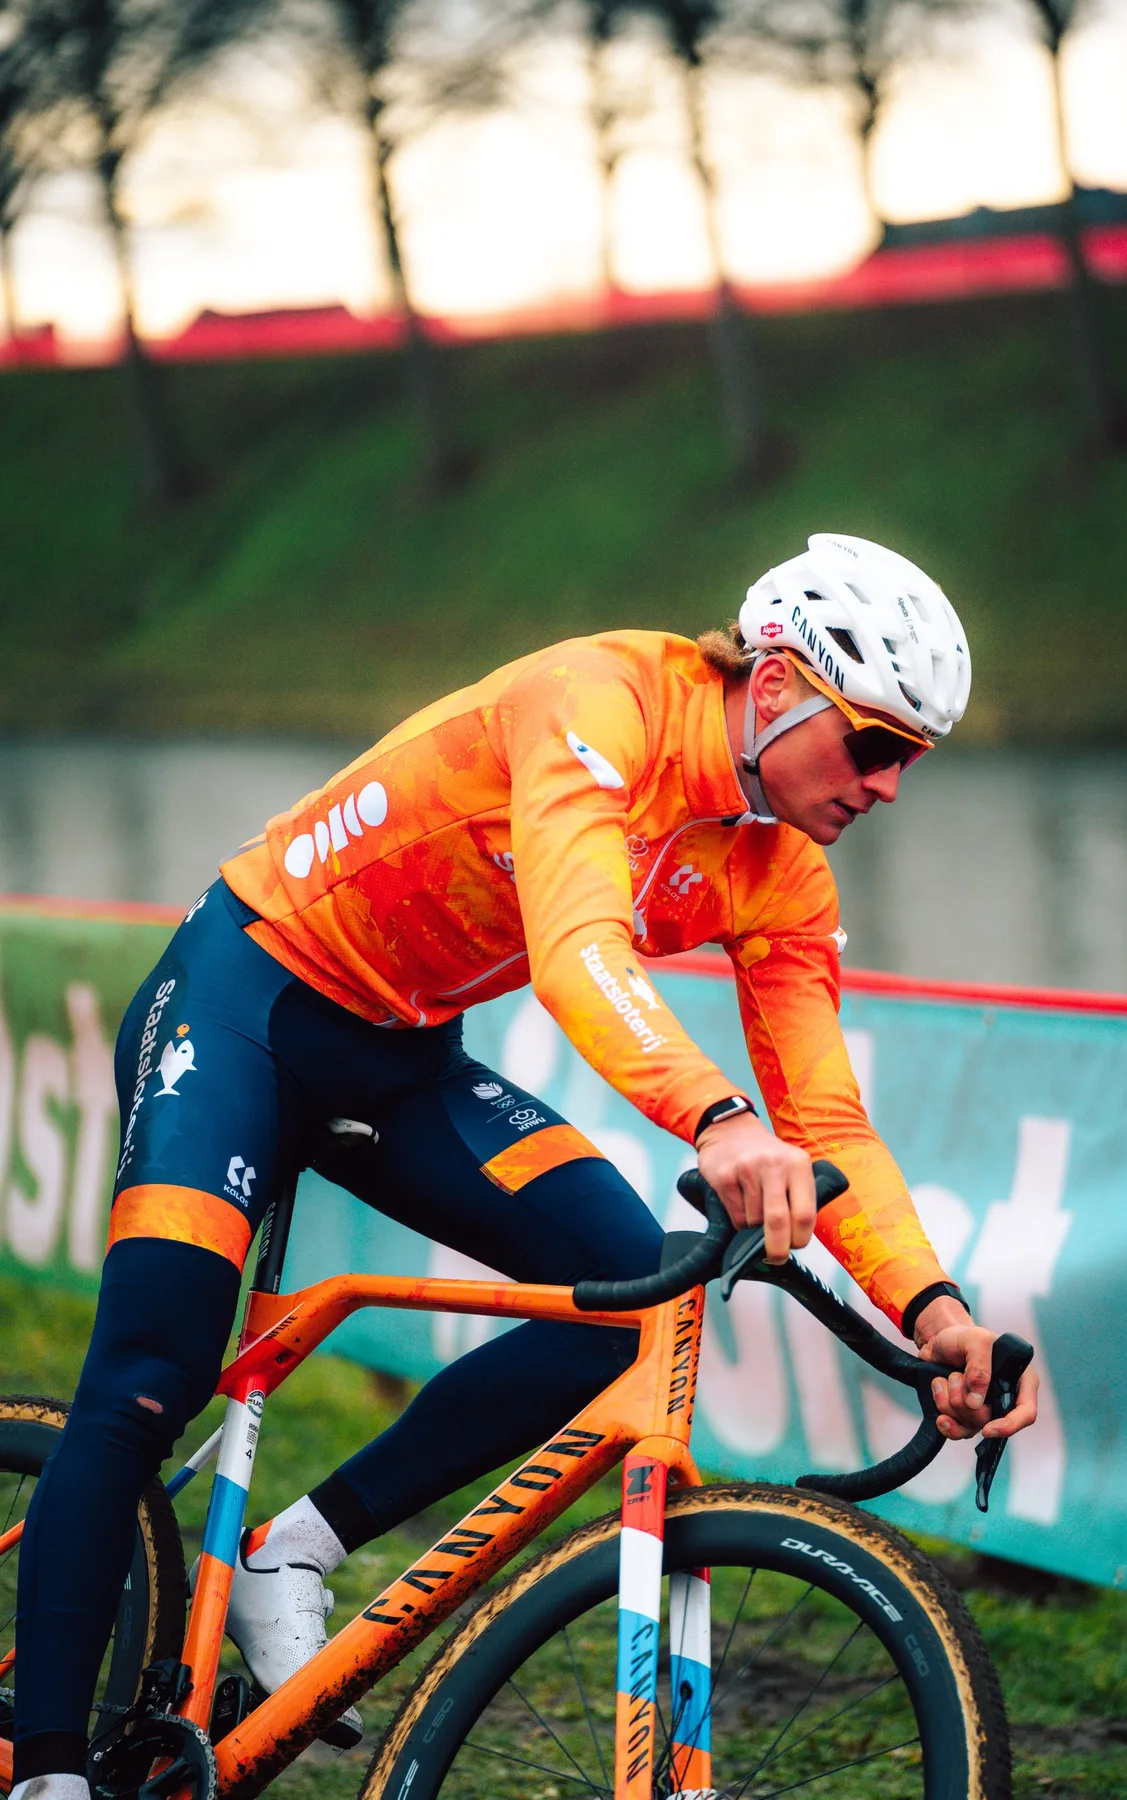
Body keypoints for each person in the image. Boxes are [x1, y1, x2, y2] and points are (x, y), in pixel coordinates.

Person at [13, 532, 1038, 1800]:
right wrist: (718, 1118)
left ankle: (294, 1551)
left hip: (399, 1056)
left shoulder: (780, 875)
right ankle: (47, 1770)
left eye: (913, 762)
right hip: (244, 1001)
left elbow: (827, 1119)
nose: (887, 786)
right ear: (776, 685)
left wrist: (932, 1308)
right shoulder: (599, 702)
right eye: (876, 744)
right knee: (150, 1374)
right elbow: (577, 945)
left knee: (624, 1293)